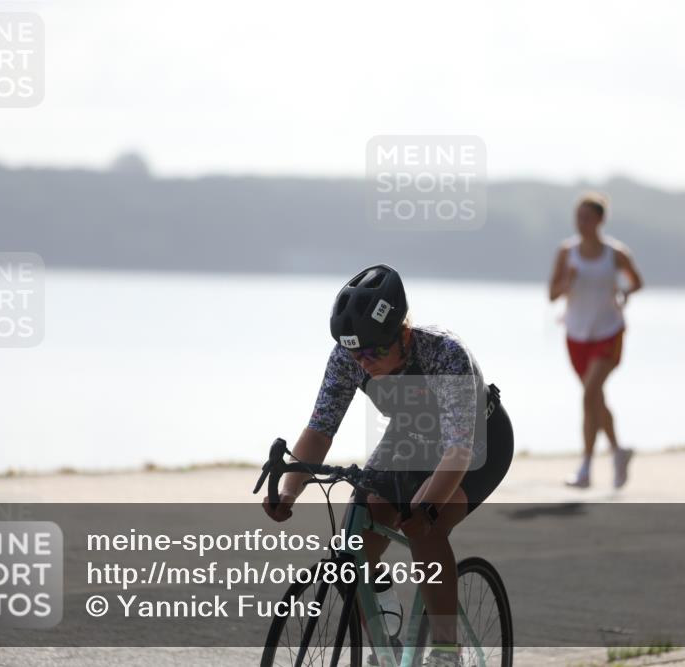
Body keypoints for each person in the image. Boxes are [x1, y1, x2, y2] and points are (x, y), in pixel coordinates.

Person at [262, 264, 514, 667]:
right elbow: (319, 430)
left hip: (476, 445)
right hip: (411, 438)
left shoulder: (444, 353)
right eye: (355, 352)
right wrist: (289, 490)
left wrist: (425, 507)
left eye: (374, 351)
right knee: (351, 547)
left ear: (404, 333)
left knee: (425, 529)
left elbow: (457, 452)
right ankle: (385, 644)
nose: (363, 362)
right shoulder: (350, 356)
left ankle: (447, 650)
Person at [549, 193, 643, 489]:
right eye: (578, 217)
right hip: (576, 335)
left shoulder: (615, 253)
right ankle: (618, 452)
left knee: (589, 394)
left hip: (608, 332)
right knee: (595, 399)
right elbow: (552, 294)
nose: (581, 223)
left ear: (600, 220)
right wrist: (569, 280)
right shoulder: (567, 252)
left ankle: (586, 469)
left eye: (587, 217)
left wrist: (624, 292)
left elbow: (636, 281)